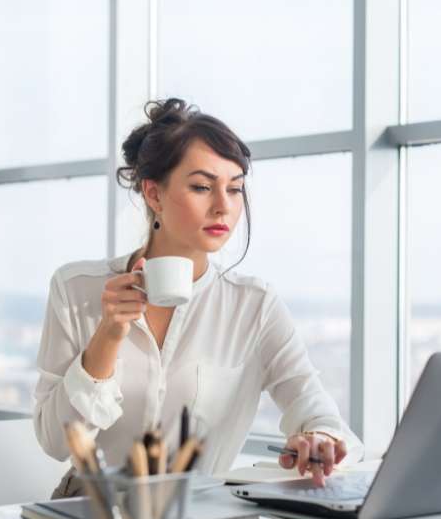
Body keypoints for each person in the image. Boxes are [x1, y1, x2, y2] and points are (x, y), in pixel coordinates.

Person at [33, 98, 364, 498]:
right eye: (202, 187)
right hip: (92, 511)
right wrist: (108, 335)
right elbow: (55, 441)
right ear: (153, 194)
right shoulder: (76, 289)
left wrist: (320, 437)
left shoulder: (253, 305)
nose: (224, 206)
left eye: (235, 189)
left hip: (203, 514)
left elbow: (313, 405)